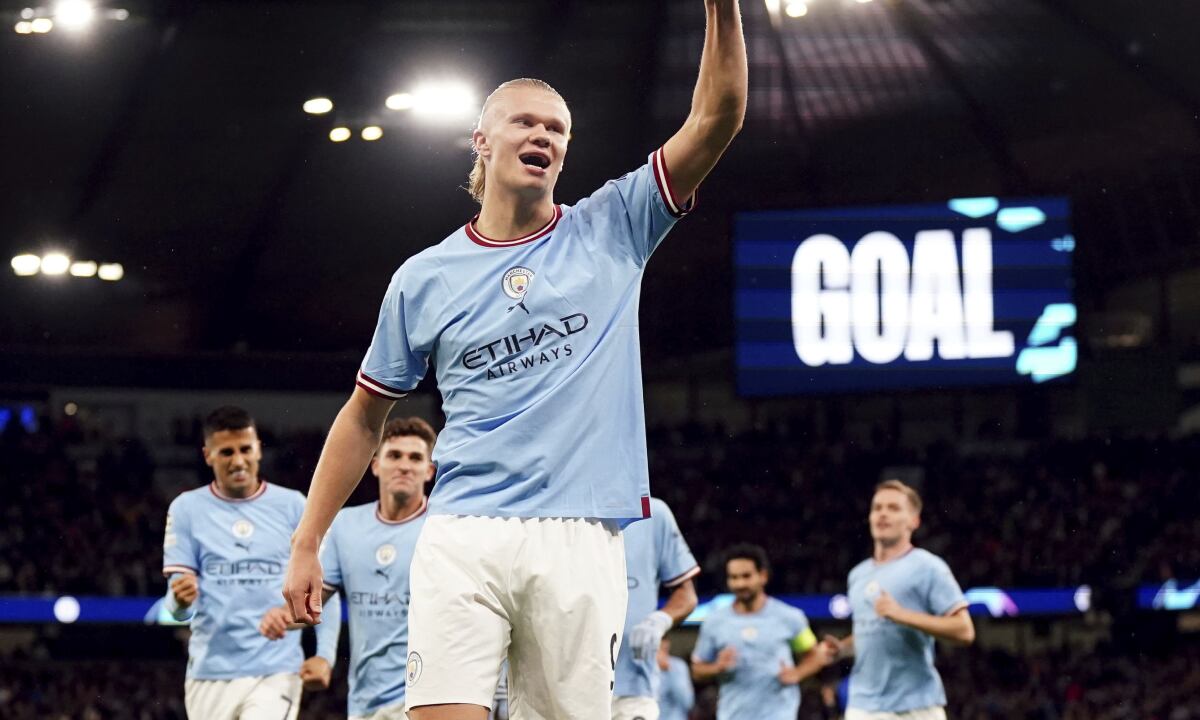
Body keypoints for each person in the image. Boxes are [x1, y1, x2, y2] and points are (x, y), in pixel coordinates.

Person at [281, 2, 747, 718]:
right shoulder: (424, 276)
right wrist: (307, 542)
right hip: (464, 528)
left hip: (581, 535)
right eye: (525, 121)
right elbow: (363, 415)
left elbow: (718, 116)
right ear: (481, 140)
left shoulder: (614, 226)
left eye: (557, 128)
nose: (543, 135)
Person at [259, 417, 436, 720]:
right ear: (375, 465)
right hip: (366, 700)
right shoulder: (345, 525)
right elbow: (316, 600)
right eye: (394, 456)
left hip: (429, 696)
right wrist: (283, 617)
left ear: (429, 471)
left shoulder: (443, 526)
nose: (404, 466)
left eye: (415, 458)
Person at [161, 406, 307, 720]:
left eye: (245, 449)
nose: (238, 460)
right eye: (226, 452)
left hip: (275, 669)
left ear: (258, 450)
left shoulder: (293, 505)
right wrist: (178, 600)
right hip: (209, 673)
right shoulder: (186, 509)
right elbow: (176, 610)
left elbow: (318, 589)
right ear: (208, 455)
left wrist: (323, 654)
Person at [821, 480, 976, 720]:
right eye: (877, 508)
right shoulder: (858, 575)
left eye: (893, 508)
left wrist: (901, 615)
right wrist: (842, 649)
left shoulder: (928, 567)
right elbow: (870, 630)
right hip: (862, 707)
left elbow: (964, 631)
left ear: (914, 521)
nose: (883, 514)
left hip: (914, 707)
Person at [691, 543, 835, 720]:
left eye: (746, 576)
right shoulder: (714, 622)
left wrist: (797, 673)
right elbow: (697, 670)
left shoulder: (790, 617)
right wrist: (717, 667)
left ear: (763, 576)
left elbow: (814, 656)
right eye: (734, 577)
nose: (740, 583)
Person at [614, 497, 700, 720]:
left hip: (633, 687)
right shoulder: (563, 509)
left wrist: (661, 619)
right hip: (569, 683)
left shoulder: (653, 512)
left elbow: (686, 595)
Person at [655, 638, 694, 720]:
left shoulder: (678, 665)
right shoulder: (642, 666)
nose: (662, 654)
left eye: (665, 650)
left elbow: (688, 702)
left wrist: (670, 670)